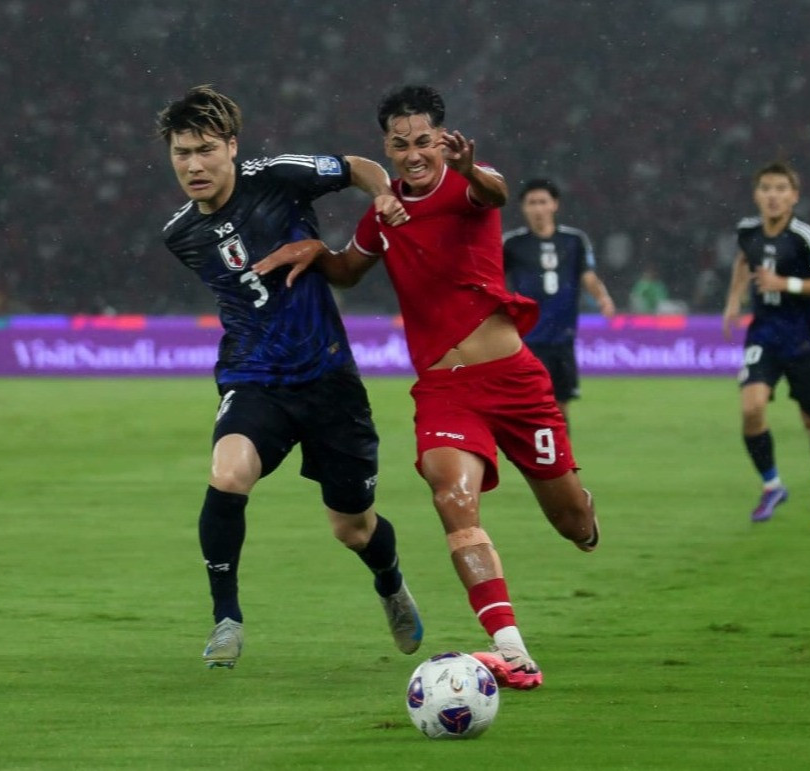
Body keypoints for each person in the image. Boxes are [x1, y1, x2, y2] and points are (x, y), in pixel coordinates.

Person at [254, 85, 599, 690]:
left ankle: (580, 504)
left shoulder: (468, 183)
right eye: (399, 144)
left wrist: (468, 168)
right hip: (444, 390)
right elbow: (349, 272)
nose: (412, 154)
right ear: (385, 147)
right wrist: (317, 249)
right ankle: (512, 649)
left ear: (442, 140)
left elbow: (494, 192)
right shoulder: (382, 216)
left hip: (514, 381)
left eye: (423, 142)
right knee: (452, 501)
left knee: (574, 526)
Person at [155, 85, 422, 669]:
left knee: (352, 527)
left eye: (205, 150)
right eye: (181, 154)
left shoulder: (278, 175)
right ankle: (226, 619)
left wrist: (382, 197)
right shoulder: (180, 235)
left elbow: (359, 167)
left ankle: (391, 583)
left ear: (231, 146)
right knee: (228, 473)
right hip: (254, 378)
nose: (194, 166)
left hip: (328, 378)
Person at [721, 160, 810, 531]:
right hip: (764, 335)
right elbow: (745, 260)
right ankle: (772, 486)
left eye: (780, 189)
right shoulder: (748, 231)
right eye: (766, 189)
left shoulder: (806, 237)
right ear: (756, 195)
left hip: (802, 342)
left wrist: (785, 284)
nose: (772, 196)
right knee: (751, 408)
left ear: (794, 196)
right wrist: (733, 300)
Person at [502, 179, 616, 427]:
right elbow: (493, 279)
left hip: (563, 337)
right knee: (531, 405)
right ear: (523, 208)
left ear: (554, 205)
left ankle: (563, 462)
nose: (538, 208)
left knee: (561, 406)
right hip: (526, 338)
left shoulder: (573, 240)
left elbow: (588, 275)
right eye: (531, 203)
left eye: (543, 201)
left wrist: (602, 298)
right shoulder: (512, 244)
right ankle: (536, 459)